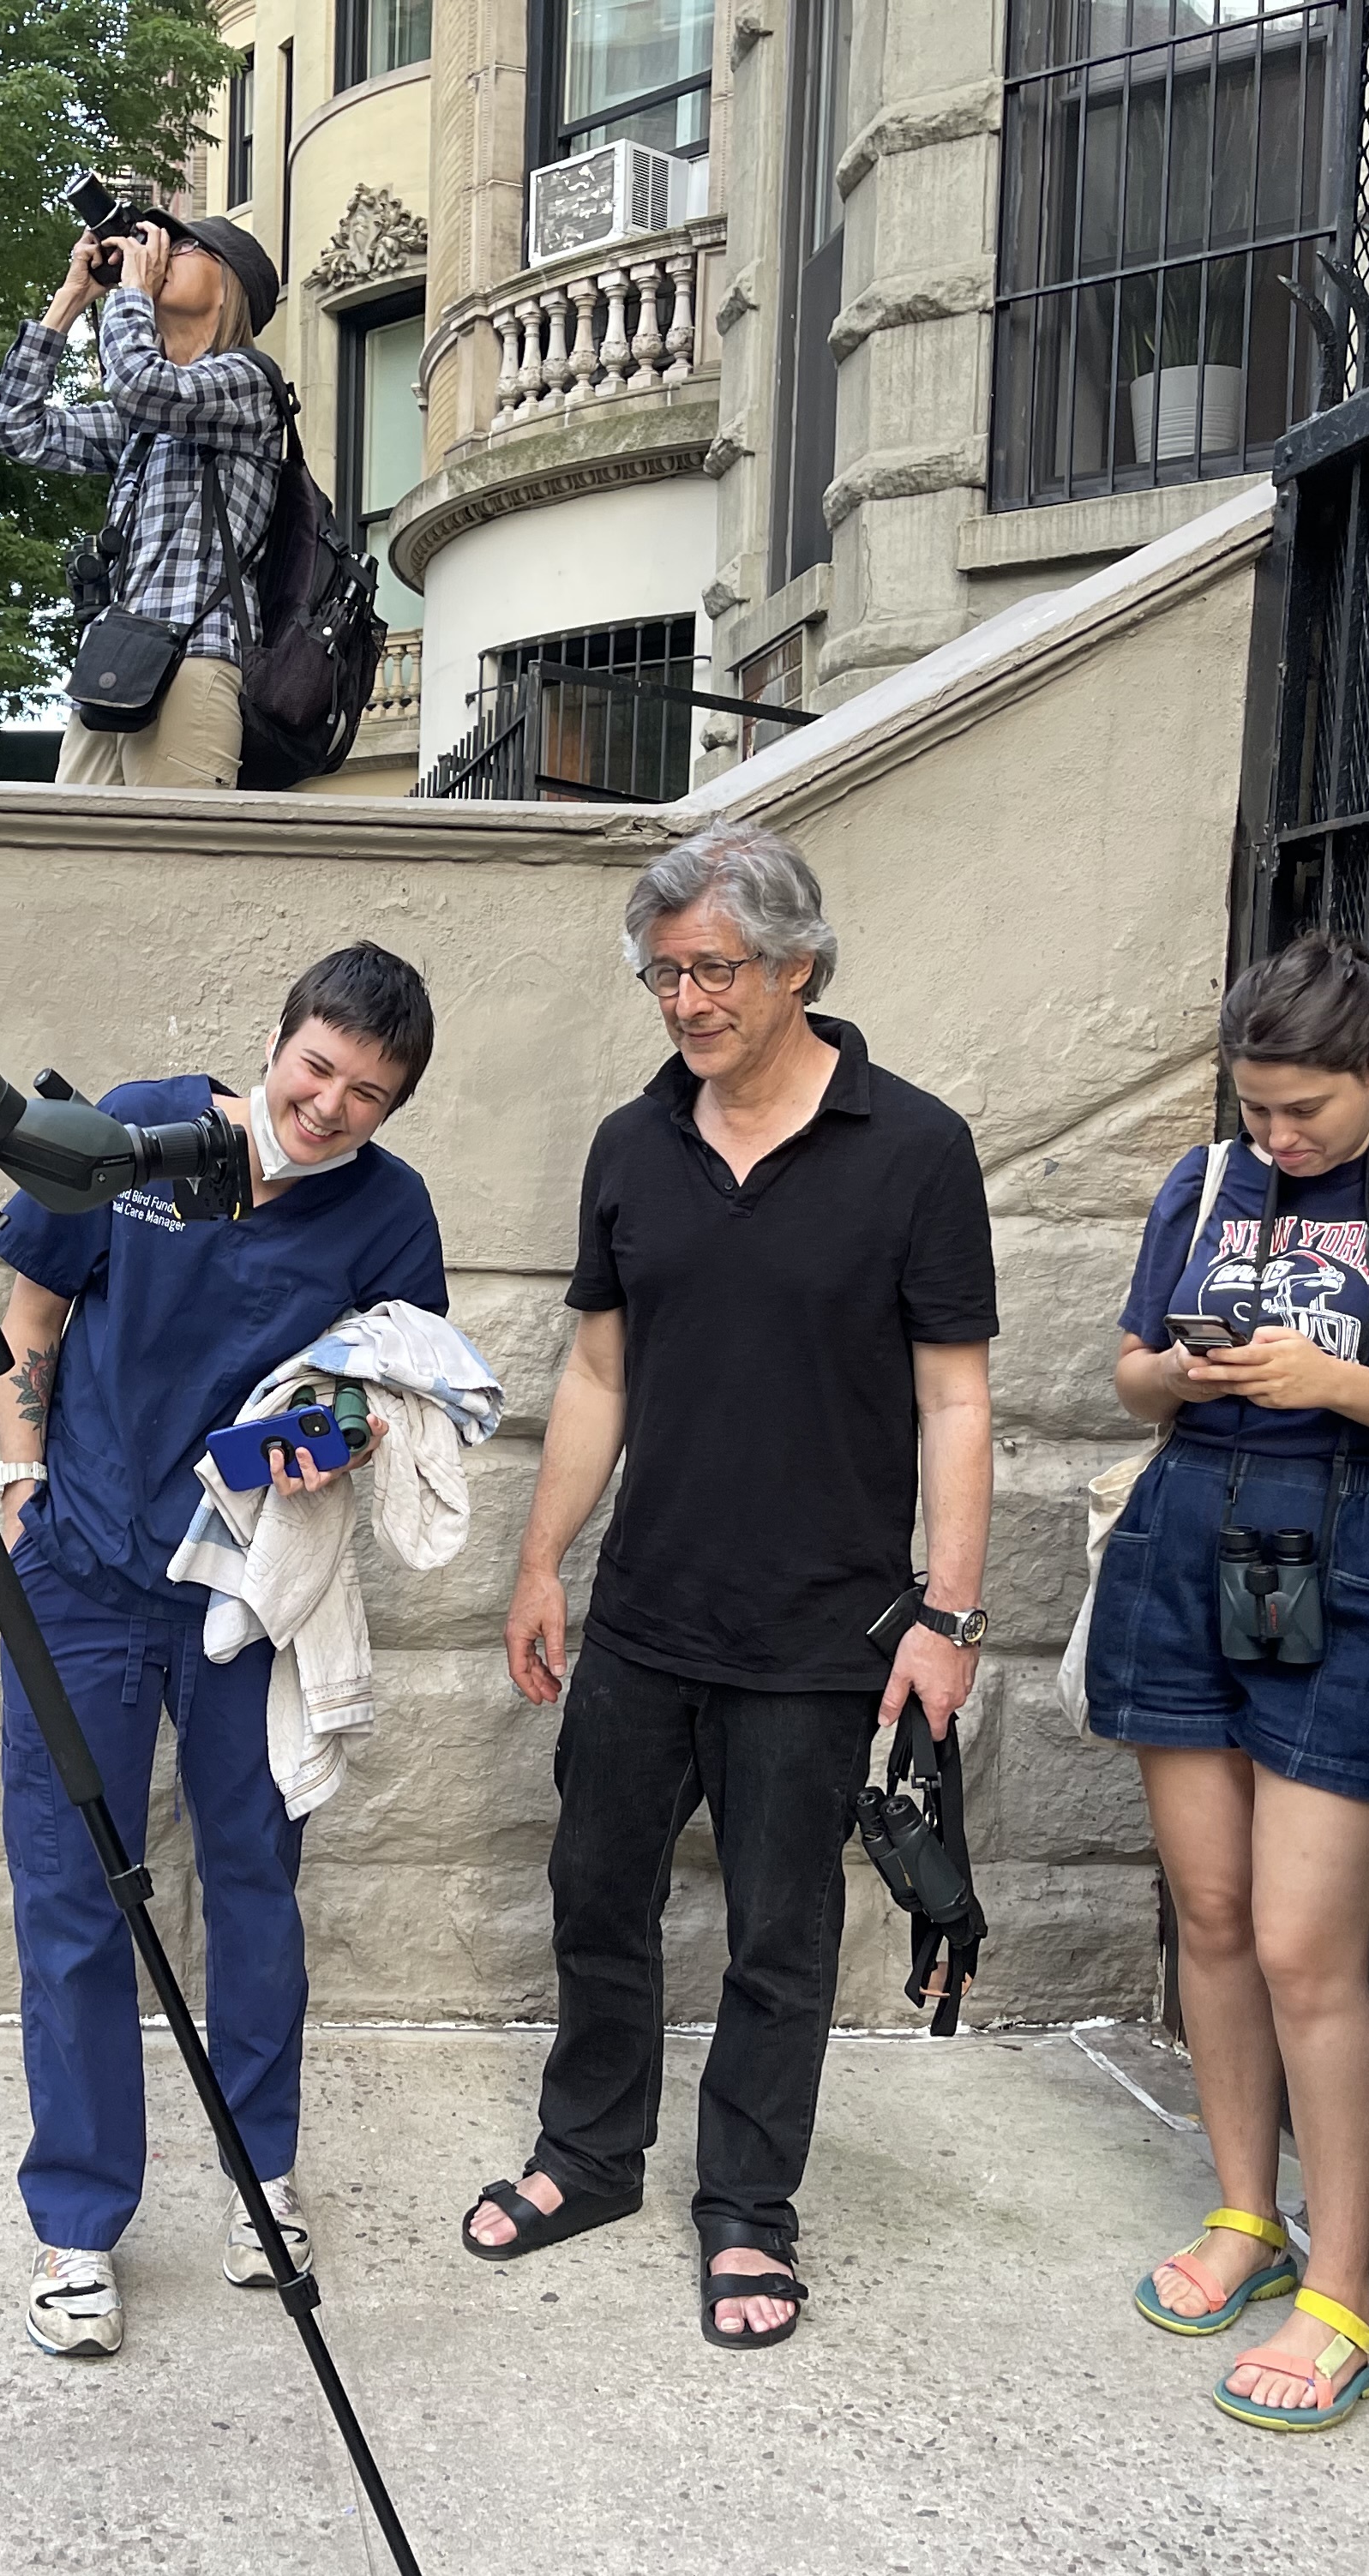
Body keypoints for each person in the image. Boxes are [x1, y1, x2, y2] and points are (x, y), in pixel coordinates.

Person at [478, 821, 995, 2351]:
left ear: (798, 965)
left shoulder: (914, 1146)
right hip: (645, 1611)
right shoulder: (633, 1143)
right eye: (662, 972)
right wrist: (539, 1558)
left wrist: (949, 1616)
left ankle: (747, 2207)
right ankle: (587, 2154)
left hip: (821, 1627)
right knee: (596, 1893)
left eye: (713, 969)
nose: (686, 1001)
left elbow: (955, 1400)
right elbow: (595, 1367)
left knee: (780, 1932)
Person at [1088, 932, 1369, 2430]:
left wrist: (1333, 1378)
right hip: (1190, 1535)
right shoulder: (1205, 1183)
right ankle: (1245, 2213)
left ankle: (1342, 2289)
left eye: (1302, 1110)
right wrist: (1189, 1372)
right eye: (1254, 1108)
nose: (1275, 1139)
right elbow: (1129, 1367)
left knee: (1303, 1943)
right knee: (1209, 1912)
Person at [0, 942, 446, 2357]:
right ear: (277, 1040)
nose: (330, 1106)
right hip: (81, 1574)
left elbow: (394, 1395)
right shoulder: (138, 1127)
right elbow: (34, 1307)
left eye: (367, 1092)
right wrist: (16, 1476)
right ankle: (77, 2223)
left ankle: (261, 2176)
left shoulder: (387, 1211)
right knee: (72, 1891)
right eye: (317, 1068)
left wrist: (328, 1445)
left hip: (247, 1597)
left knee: (254, 1884)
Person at [0, 209, 284, 790]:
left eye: (186, 248)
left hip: (198, 649)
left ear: (230, 288)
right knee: (70, 854)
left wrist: (131, 297)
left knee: (175, 862)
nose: (163, 254)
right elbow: (17, 428)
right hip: (118, 656)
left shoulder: (249, 382)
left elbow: (142, 385)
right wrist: (72, 297)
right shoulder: (144, 427)